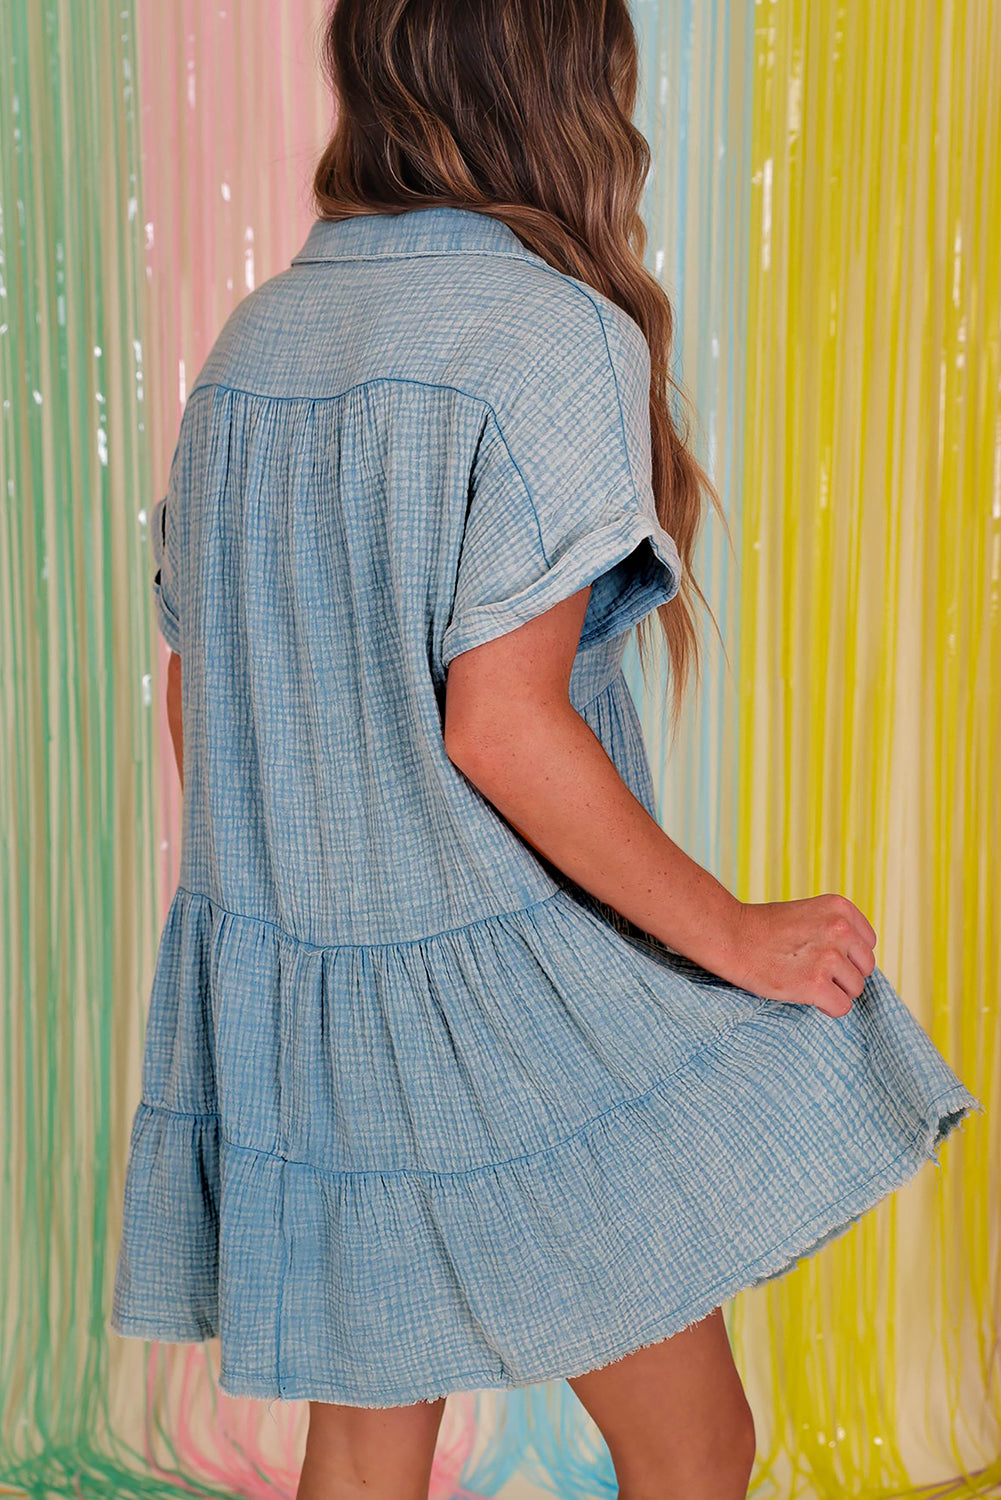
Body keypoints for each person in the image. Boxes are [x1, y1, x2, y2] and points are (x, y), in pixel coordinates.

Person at [109, 1, 983, 1497]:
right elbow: (500, 722)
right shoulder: (550, 333)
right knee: (693, 1444)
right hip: (500, 1000)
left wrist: (321, 926)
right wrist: (731, 934)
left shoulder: (254, 343)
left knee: (363, 1455)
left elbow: (203, 705)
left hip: (302, 994)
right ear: (571, 83)